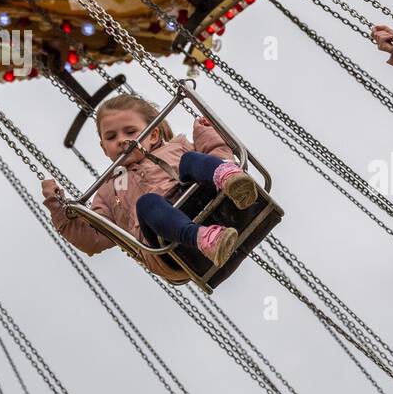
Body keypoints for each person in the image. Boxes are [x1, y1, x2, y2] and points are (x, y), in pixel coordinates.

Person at [42, 93, 259, 277]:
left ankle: (232, 180)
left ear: (153, 133)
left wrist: (206, 134)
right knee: (147, 204)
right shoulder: (110, 189)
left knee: (190, 160)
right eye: (111, 137)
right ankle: (205, 239)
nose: (120, 140)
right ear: (103, 148)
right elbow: (92, 238)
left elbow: (216, 154)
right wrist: (58, 207)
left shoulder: (177, 147)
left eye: (130, 131)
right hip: (169, 244)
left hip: (210, 201)